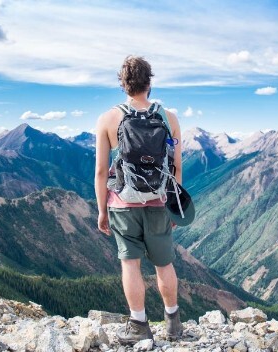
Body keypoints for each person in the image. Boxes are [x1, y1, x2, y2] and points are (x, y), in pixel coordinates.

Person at [94, 55, 183, 345]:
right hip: (159, 201)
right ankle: (173, 324)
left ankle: (139, 325)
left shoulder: (107, 119)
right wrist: (175, 205)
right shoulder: (168, 118)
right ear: (149, 81)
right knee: (164, 264)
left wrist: (102, 211)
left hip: (122, 204)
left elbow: (99, 171)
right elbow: (176, 167)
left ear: (123, 84)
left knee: (130, 265)